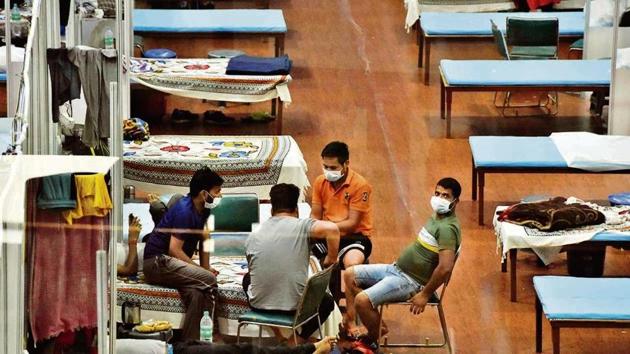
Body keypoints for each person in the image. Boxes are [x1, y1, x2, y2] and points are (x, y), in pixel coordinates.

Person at [341, 178, 462, 351]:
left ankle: (373, 336)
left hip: (411, 282)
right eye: (437, 193)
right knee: (349, 274)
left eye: (446, 196)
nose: (439, 199)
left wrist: (425, 294)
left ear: (455, 201)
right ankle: (353, 323)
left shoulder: (447, 229)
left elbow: (445, 267)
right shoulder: (437, 217)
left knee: (362, 300)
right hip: (396, 269)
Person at [243, 183, 340, 344]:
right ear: (296, 209)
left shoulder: (254, 235)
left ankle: (279, 336)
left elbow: (253, 270)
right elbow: (332, 230)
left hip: (258, 304)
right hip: (296, 307)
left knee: (247, 279)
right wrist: (331, 259)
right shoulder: (302, 226)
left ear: (272, 209)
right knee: (327, 301)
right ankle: (296, 341)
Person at [143, 167, 224, 340]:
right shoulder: (184, 211)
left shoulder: (203, 209)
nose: (219, 196)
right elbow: (174, 249)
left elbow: (205, 237)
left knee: (197, 294)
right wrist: (204, 272)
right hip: (157, 262)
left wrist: (205, 267)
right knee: (209, 280)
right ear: (204, 193)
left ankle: (191, 344)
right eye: (217, 192)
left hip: (172, 263)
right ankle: (211, 336)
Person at [305, 141, 374, 271]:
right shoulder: (320, 182)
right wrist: (312, 230)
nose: (328, 171)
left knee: (351, 265)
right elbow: (315, 214)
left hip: (354, 238)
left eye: (333, 168)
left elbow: (352, 223)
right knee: (301, 256)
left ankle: (355, 290)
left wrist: (328, 228)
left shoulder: (360, 185)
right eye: (325, 167)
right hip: (326, 236)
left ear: (346, 164)